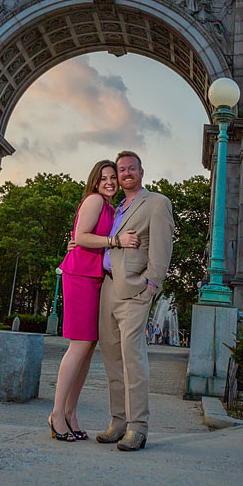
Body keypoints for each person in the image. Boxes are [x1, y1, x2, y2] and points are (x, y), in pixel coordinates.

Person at [48, 159, 140, 442]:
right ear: (95, 182)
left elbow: (86, 237)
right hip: (79, 276)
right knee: (78, 346)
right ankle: (55, 414)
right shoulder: (95, 201)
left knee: (87, 348)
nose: (111, 182)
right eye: (104, 178)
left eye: (114, 177)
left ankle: (70, 413)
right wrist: (114, 242)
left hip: (94, 277)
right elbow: (81, 236)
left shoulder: (111, 208)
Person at [96, 151, 174, 451]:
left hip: (135, 291)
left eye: (131, 168)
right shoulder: (114, 208)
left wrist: (151, 285)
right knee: (112, 358)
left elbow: (162, 248)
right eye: (121, 169)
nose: (126, 173)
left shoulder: (156, 202)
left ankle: (137, 427)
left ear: (142, 171)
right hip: (107, 288)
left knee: (133, 358)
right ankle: (118, 422)